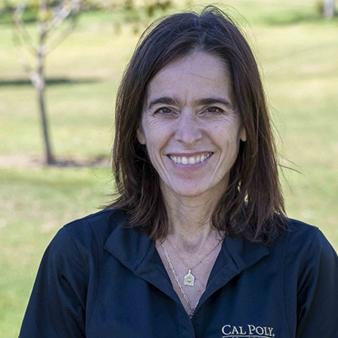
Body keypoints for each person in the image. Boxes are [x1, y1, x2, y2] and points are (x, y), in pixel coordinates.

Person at [19, 5, 338, 338]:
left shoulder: (304, 261)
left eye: (212, 109)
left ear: (245, 124)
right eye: (165, 109)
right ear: (139, 127)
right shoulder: (79, 257)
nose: (187, 135)